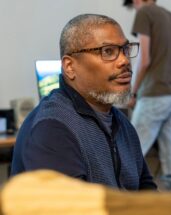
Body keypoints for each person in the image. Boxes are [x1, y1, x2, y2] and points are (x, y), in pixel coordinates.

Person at [11, 14, 157, 191]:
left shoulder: (122, 124)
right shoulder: (53, 127)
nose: (125, 60)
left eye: (125, 49)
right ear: (70, 67)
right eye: (108, 51)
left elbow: (148, 195)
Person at [123, 0, 171, 191]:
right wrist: (169, 76)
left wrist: (134, 92)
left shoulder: (144, 13)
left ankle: (119, 203)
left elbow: (144, 59)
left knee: (130, 149)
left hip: (154, 94)